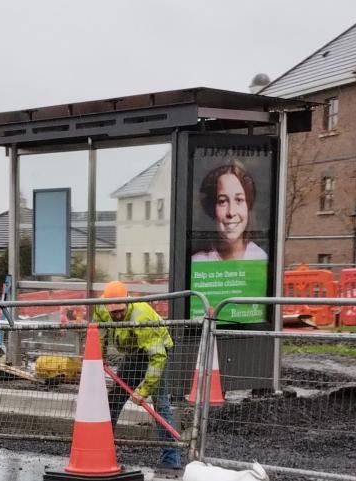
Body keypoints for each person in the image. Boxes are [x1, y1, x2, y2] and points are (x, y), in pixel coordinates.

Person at [93, 280, 181, 470]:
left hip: (157, 353)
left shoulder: (141, 316)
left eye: (120, 311)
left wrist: (143, 390)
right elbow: (99, 334)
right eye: (113, 312)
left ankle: (171, 460)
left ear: (127, 302)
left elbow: (157, 357)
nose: (117, 315)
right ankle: (102, 448)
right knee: (114, 399)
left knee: (161, 405)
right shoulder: (102, 308)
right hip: (133, 353)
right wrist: (99, 358)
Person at [191, 162, 267, 261]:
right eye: (222, 201)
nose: (231, 212)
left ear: (248, 206)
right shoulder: (198, 262)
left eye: (239, 200)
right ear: (212, 209)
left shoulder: (260, 258)